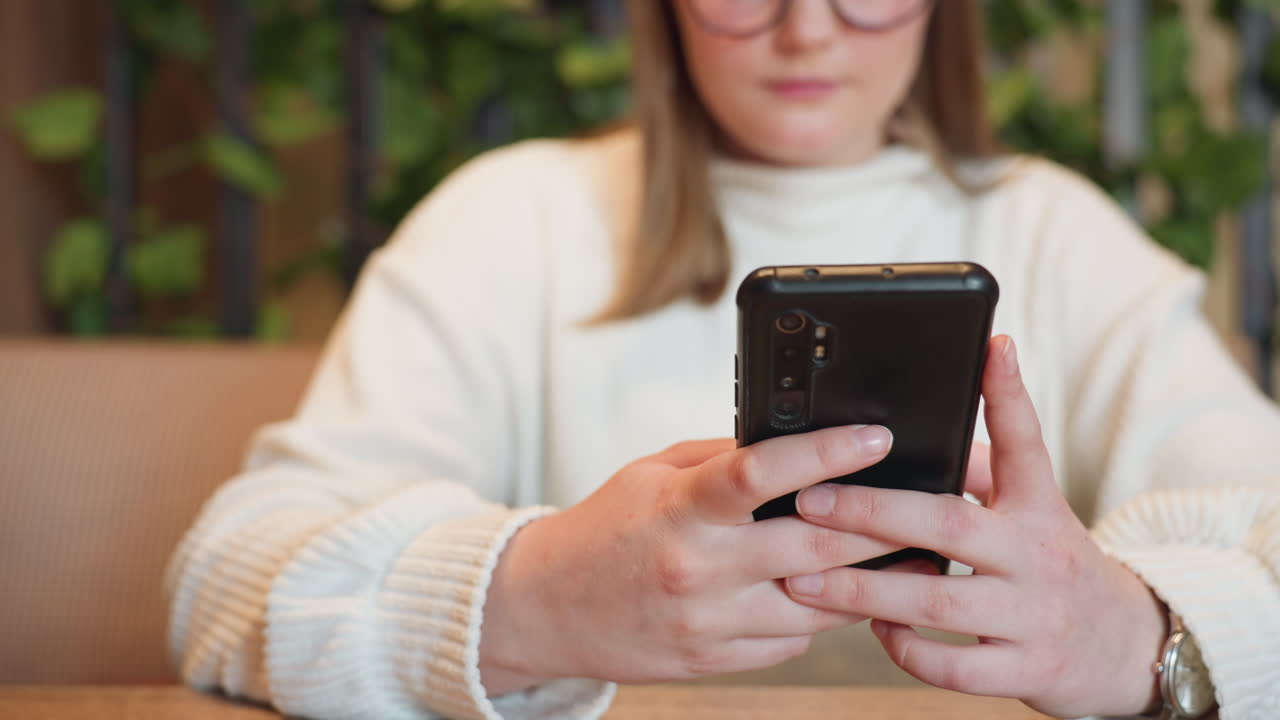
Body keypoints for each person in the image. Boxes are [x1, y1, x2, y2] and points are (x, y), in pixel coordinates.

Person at [166, 1, 1280, 718]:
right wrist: (537, 598)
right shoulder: (509, 218)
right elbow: (226, 576)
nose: (806, 29)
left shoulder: (1057, 230)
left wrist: (1132, 636)